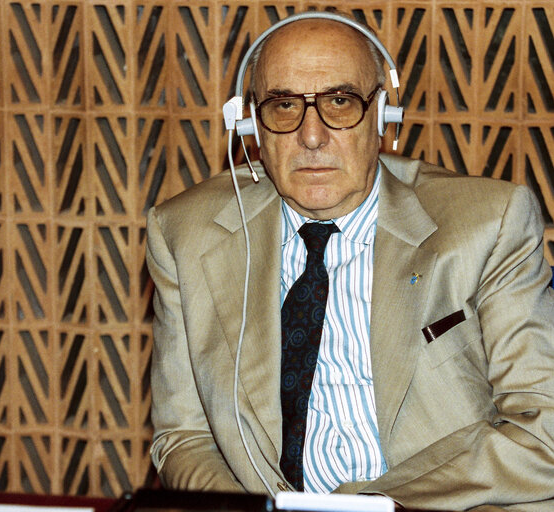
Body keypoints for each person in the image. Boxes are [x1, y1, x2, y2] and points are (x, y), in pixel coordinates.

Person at [145, 12, 554, 512]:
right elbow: (184, 436)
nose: (312, 136)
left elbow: (543, 427)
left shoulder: (489, 223)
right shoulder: (182, 234)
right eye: (283, 106)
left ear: (382, 114)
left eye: (340, 102)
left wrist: (365, 507)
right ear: (250, 124)